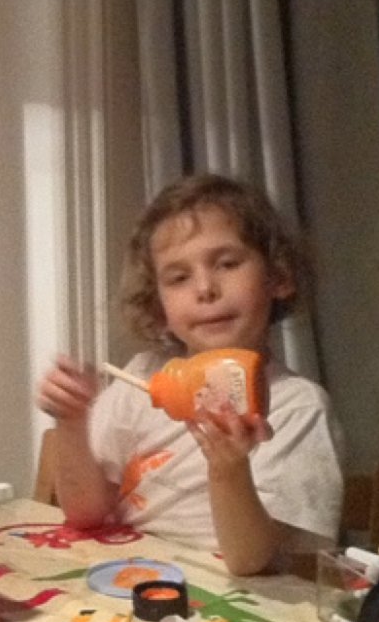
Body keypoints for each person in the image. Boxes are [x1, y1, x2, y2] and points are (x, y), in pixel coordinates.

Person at [35, 173, 342, 575]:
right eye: (179, 277)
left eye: (227, 263)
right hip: (133, 584)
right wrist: (73, 422)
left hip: (239, 606)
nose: (205, 289)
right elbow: (85, 514)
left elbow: (249, 562)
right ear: (159, 305)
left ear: (278, 277)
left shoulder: (296, 406)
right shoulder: (142, 377)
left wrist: (229, 468)